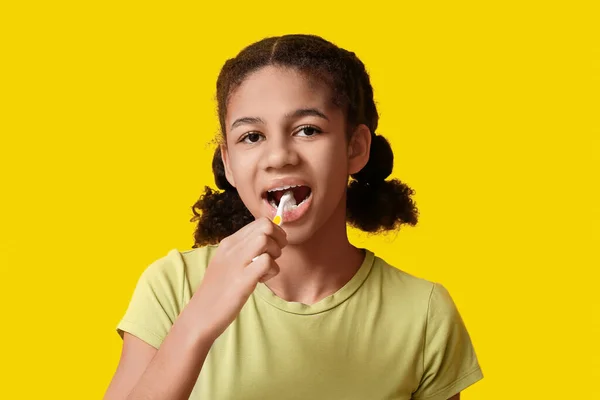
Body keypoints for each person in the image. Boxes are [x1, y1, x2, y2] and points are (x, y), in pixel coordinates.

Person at [104, 34, 483, 400]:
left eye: (307, 130)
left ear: (355, 148)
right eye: (252, 136)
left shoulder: (423, 313)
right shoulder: (173, 287)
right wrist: (197, 321)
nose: (279, 156)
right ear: (229, 164)